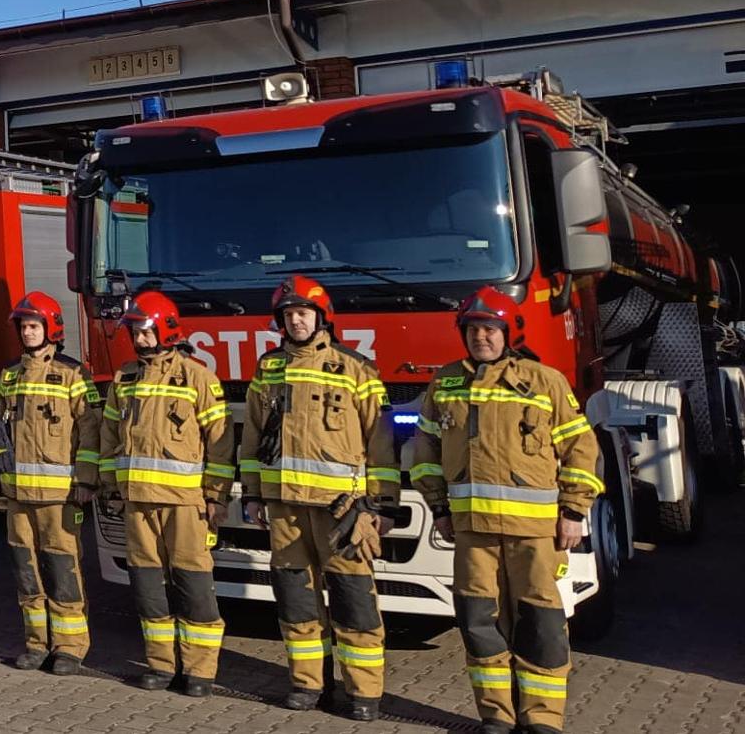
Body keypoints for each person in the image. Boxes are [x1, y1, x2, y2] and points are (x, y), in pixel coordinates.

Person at [408, 287, 602, 734]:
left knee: (541, 623)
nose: (481, 337)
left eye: (490, 329)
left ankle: (542, 719)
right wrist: (438, 506)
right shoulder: (447, 382)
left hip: (535, 533)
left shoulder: (544, 380)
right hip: (471, 532)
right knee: (478, 622)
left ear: (508, 333)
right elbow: (424, 448)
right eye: (473, 329)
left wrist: (573, 511)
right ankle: (496, 716)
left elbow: (580, 447)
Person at [239, 275, 397, 720]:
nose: (296, 320)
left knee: (353, 599)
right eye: (288, 315)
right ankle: (307, 684)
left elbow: (380, 443)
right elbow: (252, 436)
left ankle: (364, 692)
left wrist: (381, 504)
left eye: (303, 313)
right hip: (285, 509)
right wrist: (251, 495)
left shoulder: (356, 368)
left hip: (342, 511)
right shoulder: (268, 368)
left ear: (321, 317)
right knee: (296, 600)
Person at [97, 291, 234, 695]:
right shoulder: (124, 379)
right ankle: (160, 664)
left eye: (144, 331)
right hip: (138, 503)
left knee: (193, 585)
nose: (138, 340)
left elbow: (221, 444)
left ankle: (200, 670)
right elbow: (109, 439)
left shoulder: (198, 377)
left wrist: (216, 496)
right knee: (148, 587)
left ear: (165, 329)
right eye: (134, 333)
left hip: (185, 504)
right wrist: (110, 487)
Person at [0, 293, 101, 675]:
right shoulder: (9, 376)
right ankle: (37, 643)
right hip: (17, 495)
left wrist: (86, 480)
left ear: (50, 328)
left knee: (62, 568)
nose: (28, 332)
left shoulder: (73, 374)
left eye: (34, 325)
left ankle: (69, 646)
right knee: (26, 570)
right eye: (23, 326)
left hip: (59, 496)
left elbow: (90, 431)